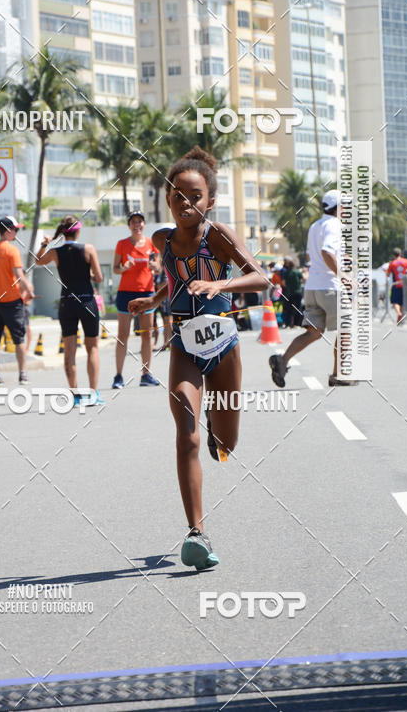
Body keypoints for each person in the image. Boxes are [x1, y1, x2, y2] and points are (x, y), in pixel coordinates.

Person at [128, 148, 267, 570]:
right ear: (167, 201)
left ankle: (218, 432)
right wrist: (152, 301)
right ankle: (197, 533)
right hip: (184, 347)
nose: (184, 203)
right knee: (184, 432)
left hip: (223, 347)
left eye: (194, 196)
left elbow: (261, 278)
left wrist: (217, 284)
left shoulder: (218, 236)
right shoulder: (161, 240)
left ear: (209, 200)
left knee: (226, 443)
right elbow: (173, 280)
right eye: (176, 196)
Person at [269, 190, 357, 389]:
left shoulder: (315, 226)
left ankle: (282, 361)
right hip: (330, 287)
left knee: (314, 332)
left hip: (312, 287)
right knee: (345, 331)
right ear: (338, 207)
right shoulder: (335, 225)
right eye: (345, 206)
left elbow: (315, 255)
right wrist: (344, 277)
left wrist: (342, 260)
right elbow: (326, 251)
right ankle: (339, 375)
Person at [36, 215, 104, 404]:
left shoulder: (56, 252)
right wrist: (88, 273)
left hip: (67, 302)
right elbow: (98, 278)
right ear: (78, 230)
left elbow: (38, 261)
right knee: (92, 348)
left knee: (70, 351)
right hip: (87, 301)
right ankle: (94, 393)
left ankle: (74, 395)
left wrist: (44, 244)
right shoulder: (88, 249)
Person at [0, 215, 34, 386]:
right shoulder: (12, 250)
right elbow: (19, 275)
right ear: (8, 230)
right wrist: (29, 290)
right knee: (19, 338)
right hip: (12, 301)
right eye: (16, 229)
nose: (17, 233)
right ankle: (23, 374)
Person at [112, 210, 160, 389]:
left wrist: (155, 266)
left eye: (140, 221)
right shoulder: (122, 244)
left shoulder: (151, 244)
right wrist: (124, 267)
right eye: (133, 222)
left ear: (144, 224)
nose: (137, 224)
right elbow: (115, 269)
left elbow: (159, 267)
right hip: (126, 293)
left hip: (147, 293)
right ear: (129, 225)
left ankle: (146, 374)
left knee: (147, 335)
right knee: (123, 335)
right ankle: (118, 376)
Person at [386, 247, 407, 324]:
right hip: (404, 285)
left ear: (393, 255)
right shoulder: (406, 261)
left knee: (395, 302)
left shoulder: (392, 263)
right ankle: (401, 320)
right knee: (402, 302)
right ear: (400, 254)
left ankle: (398, 313)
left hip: (396, 284)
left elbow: (388, 275)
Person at [282, 256, 304, 329]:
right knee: (298, 308)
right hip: (298, 292)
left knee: (289, 309)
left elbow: (284, 283)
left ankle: (288, 324)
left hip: (290, 293)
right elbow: (303, 280)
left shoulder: (286, 273)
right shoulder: (298, 272)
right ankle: (297, 324)